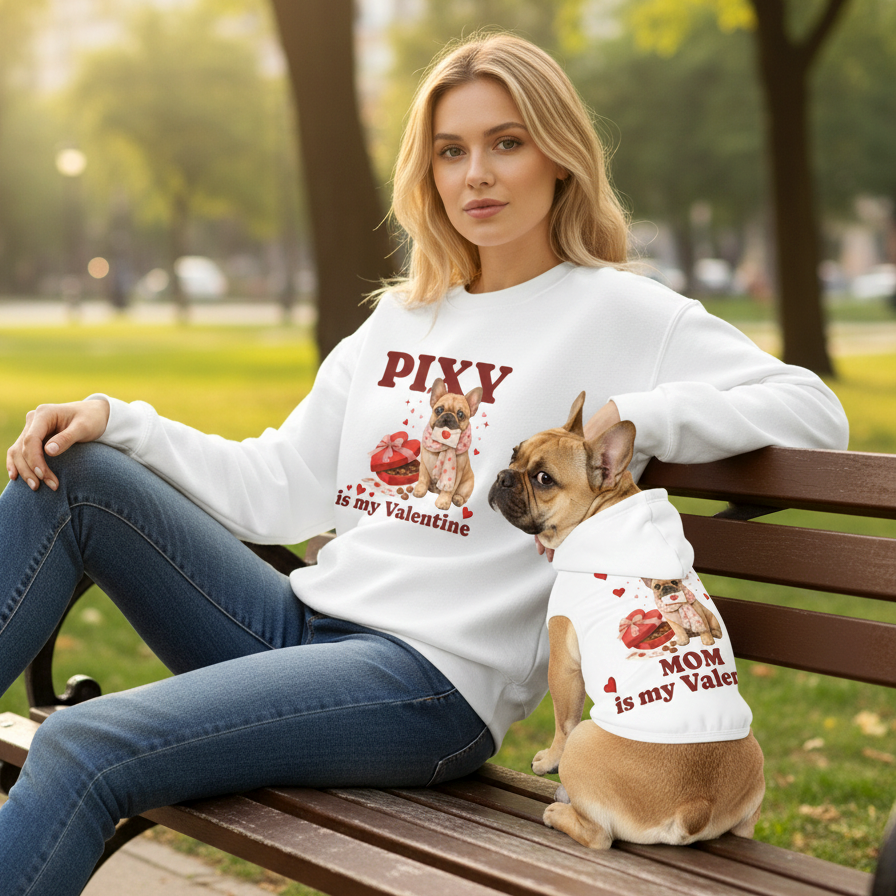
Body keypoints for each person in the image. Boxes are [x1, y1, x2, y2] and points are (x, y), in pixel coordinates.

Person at [0, 32, 848, 895]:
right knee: (74, 474)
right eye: (452, 150)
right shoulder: (401, 317)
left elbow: (815, 412)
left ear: (558, 156)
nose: (476, 172)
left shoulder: (625, 313)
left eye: (505, 143)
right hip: (298, 628)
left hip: (424, 687)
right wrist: (120, 421)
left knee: (83, 743)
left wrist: (634, 417)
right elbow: (277, 490)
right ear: (429, 172)